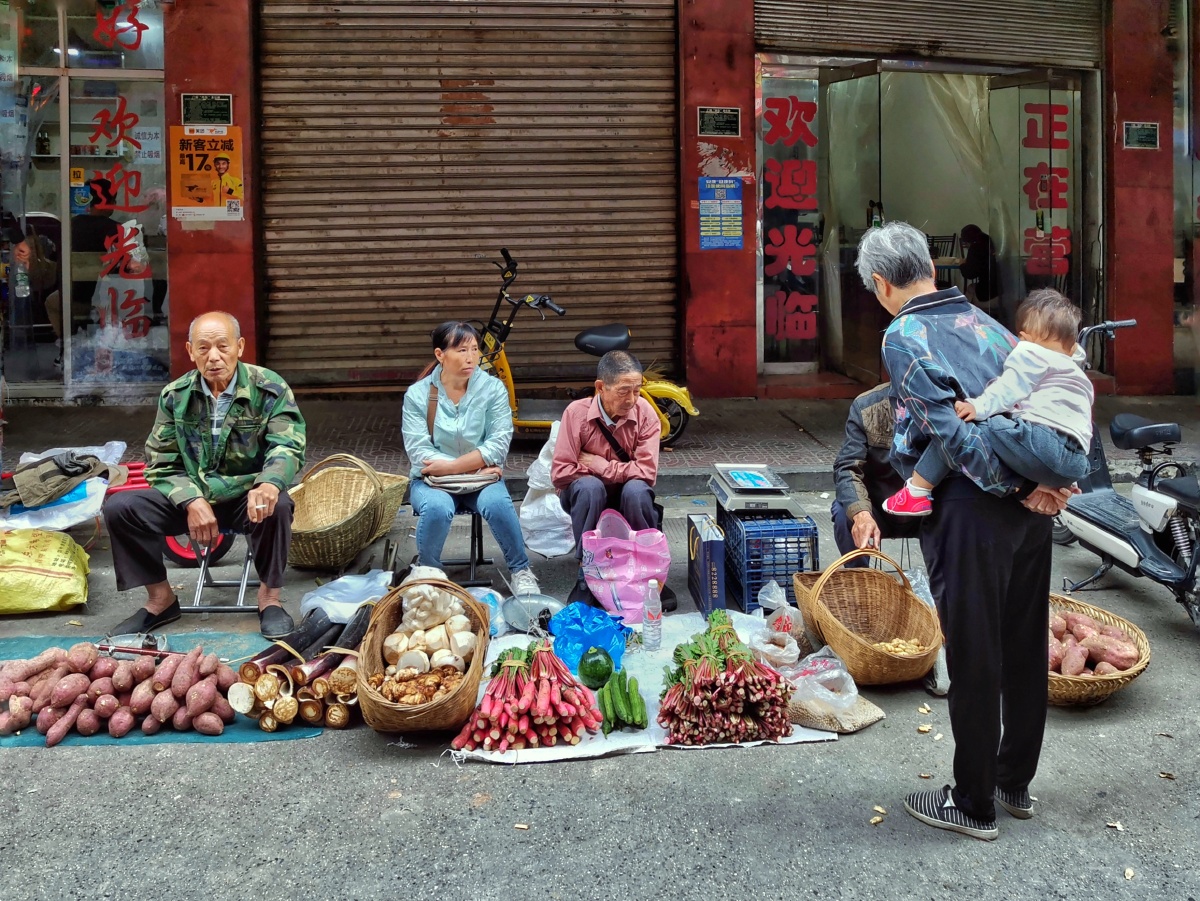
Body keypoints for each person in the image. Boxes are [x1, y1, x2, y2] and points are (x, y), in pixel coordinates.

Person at [857, 221, 1072, 841]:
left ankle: (974, 802)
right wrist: (1046, 486)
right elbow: (1051, 403)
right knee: (1022, 641)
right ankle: (1013, 782)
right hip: (1031, 508)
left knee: (974, 651)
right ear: (927, 264)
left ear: (879, 283)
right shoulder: (991, 324)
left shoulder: (904, 335)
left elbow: (951, 434)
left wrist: (1014, 487)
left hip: (972, 506)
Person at [103, 312, 306, 639]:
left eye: (223, 346)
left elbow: (288, 444)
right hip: (192, 502)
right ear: (190, 351)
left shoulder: (269, 387)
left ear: (239, 347)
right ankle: (161, 600)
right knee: (121, 507)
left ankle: (270, 599)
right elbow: (161, 462)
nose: (214, 357)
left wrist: (269, 481)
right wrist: (191, 500)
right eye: (204, 348)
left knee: (278, 503)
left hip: (245, 498)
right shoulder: (175, 395)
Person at [884, 289, 1093, 517]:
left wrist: (977, 406)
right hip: (1076, 463)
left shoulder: (1030, 352)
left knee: (960, 425)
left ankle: (917, 492)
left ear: (1023, 337)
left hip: (1043, 444)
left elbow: (1008, 389)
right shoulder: (1073, 369)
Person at [402, 321, 540, 595]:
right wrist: (473, 466)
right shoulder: (417, 395)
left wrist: (451, 466)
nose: (471, 357)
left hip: (481, 481)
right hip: (433, 482)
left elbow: (498, 445)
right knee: (438, 508)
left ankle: (521, 571)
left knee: (499, 504)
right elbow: (419, 452)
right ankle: (428, 574)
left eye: (475, 350)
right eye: (462, 350)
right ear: (440, 355)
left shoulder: (493, 389)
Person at [551, 350, 675, 610]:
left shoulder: (646, 415)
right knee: (589, 487)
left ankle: (650, 573)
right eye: (623, 391)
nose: (631, 399)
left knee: (637, 492)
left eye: (637, 390)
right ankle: (586, 572)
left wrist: (602, 466)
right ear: (600, 388)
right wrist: (610, 472)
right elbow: (561, 473)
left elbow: (647, 473)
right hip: (585, 497)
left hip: (626, 494)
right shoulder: (576, 414)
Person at [831, 381, 920, 564]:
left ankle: (951, 589)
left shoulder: (945, 403)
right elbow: (847, 468)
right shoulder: (867, 406)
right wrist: (861, 513)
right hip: (878, 507)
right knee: (843, 511)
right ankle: (861, 584)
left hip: (927, 509)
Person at [958, 224, 1000, 308]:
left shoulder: (975, 248)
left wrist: (962, 265)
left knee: (970, 289)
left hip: (988, 296)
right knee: (972, 288)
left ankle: (963, 312)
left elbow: (970, 274)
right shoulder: (990, 243)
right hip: (1002, 292)